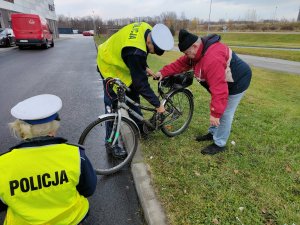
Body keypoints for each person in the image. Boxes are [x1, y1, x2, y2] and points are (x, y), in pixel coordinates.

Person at [0, 94, 97, 225]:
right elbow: (88, 189)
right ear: (52, 130)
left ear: (23, 131)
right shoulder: (75, 155)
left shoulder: (3, 164)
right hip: (73, 220)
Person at [156, 29, 252, 155]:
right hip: (222, 82)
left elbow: (220, 89)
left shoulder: (212, 58)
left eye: (187, 53)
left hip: (237, 81)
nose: (186, 55)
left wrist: (216, 113)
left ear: (195, 46)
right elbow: (180, 64)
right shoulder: (196, 52)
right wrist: (162, 72)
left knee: (224, 113)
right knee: (216, 107)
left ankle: (219, 143)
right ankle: (213, 133)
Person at [96, 22, 174, 158]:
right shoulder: (135, 51)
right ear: (149, 41)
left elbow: (141, 55)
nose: (150, 52)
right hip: (108, 64)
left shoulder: (148, 29)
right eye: (151, 50)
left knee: (133, 97)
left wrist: (145, 67)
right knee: (112, 106)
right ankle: (111, 144)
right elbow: (141, 84)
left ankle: (139, 128)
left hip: (123, 62)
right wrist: (158, 105)